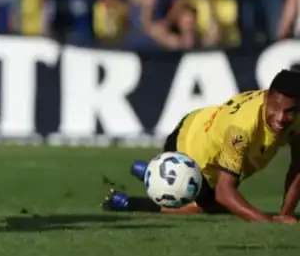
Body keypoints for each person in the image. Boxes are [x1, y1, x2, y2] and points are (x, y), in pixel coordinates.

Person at [103, 69, 300, 223]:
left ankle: (158, 174)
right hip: (189, 145)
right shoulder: (241, 127)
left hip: (210, 140)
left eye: (289, 111)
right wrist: (268, 222)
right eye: (275, 108)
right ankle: (129, 200)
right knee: (200, 207)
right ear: (266, 97)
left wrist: (285, 214)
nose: (281, 118)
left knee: (221, 205)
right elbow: (225, 193)